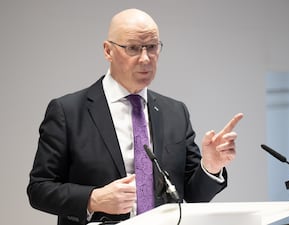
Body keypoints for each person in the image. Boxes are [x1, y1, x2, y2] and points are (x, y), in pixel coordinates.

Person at [27, 8, 243, 225]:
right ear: (108, 51)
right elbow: (39, 189)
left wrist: (211, 167)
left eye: (151, 47)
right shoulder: (69, 111)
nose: (145, 58)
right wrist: (93, 199)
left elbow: (194, 195)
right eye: (132, 48)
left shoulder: (176, 112)